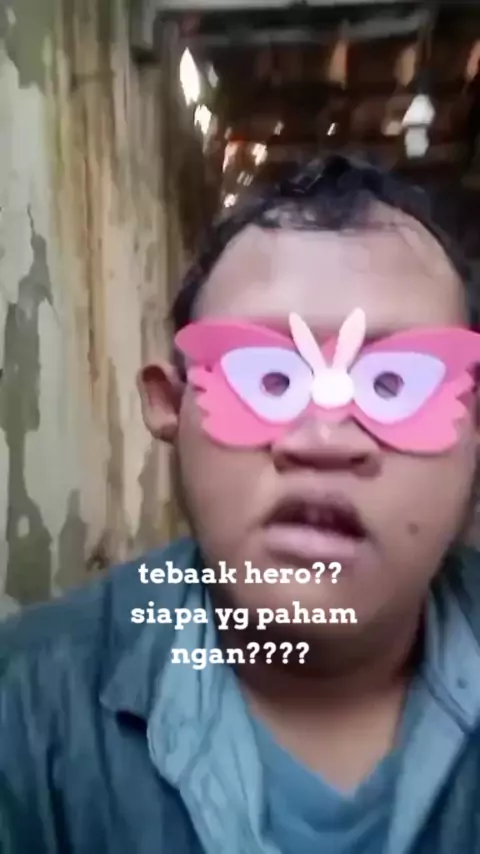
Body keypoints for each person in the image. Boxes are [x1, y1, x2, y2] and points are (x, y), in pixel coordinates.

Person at [2, 153, 480, 854]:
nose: (325, 440)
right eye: (268, 378)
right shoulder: (21, 713)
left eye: (394, 385)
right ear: (169, 406)